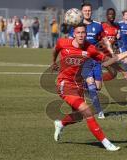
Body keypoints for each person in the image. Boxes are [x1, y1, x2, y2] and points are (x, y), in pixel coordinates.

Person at [52, 23, 120, 151]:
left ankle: (60, 124)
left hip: (78, 85)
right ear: (74, 34)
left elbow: (105, 60)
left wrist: (123, 69)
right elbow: (55, 49)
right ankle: (106, 143)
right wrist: (53, 62)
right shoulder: (63, 42)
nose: (81, 35)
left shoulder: (90, 48)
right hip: (64, 84)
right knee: (87, 111)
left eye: (83, 32)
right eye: (78, 32)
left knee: (78, 116)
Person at [69, 3, 119, 119]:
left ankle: (83, 87)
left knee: (97, 87)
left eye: (89, 10)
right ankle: (99, 111)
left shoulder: (97, 25)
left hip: (96, 60)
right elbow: (71, 42)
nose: (87, 12)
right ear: (81, 12)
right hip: (83, 60)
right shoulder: (77, 26)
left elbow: (105, 40)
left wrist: (111, 52)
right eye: (85, 11)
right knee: (92, 85)